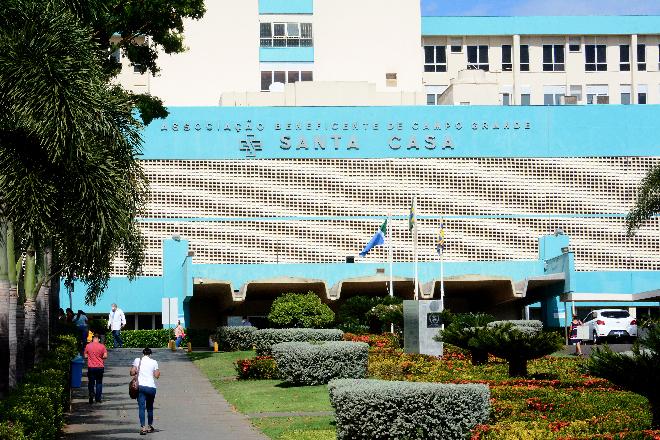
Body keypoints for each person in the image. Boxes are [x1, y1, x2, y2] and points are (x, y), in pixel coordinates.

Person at [130, 347, 160, 435]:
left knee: (142, 407)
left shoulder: (137, 360)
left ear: (143, 353)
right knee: (150, 407)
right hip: (151, 388)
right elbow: (157, 375)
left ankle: (143, 428)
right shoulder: (154, 362)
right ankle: (149, 426)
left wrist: (137, 371)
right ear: (150, 354)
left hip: (141, 387)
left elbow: (132, 372)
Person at [84, 334, 108, 404]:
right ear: (99, 339)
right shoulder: (102, 346)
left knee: (91, 382)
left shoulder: (88, 346)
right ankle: (98, 398)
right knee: (99, 382)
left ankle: (91, 394)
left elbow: (85, 356)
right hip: (100, 367)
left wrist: (90, 357)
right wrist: (100, 357)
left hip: (91, 367)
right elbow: (105, 356)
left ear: (92, 339)